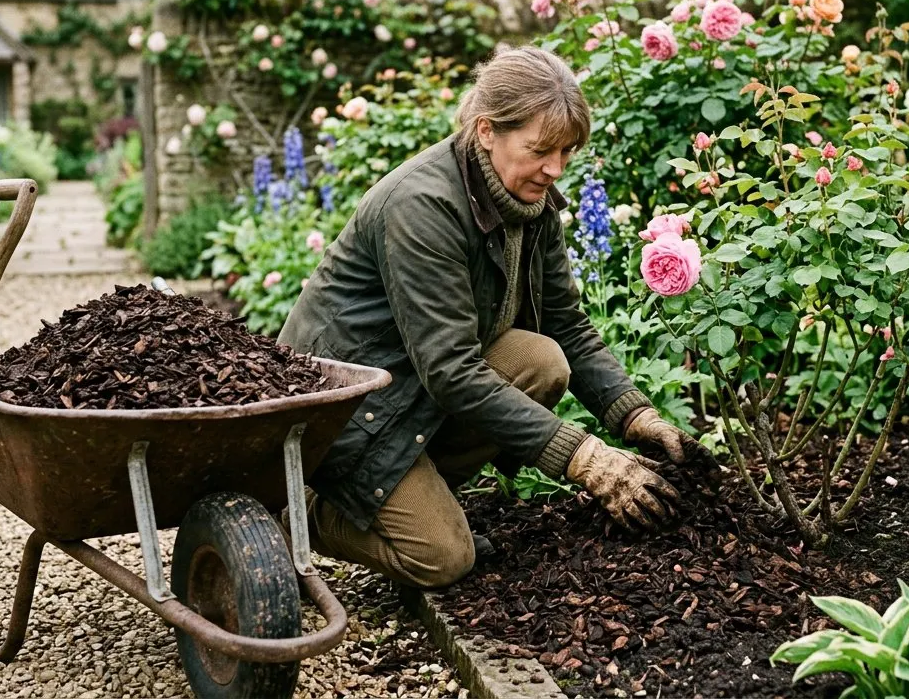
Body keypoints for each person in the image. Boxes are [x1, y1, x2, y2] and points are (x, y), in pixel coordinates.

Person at [278, 46, 698, 589]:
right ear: (485, 131)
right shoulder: (423, 207)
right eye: (541, 150)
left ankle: (415, 495)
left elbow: (566, 325)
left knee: (542, 360)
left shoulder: (529, 199)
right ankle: (302, 514)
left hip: (413, 392)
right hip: (346, 411)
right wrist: (584, 458)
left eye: (568, 151)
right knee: (444, 559)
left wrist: (636, 416)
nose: (555, 169)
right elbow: (452, 370)